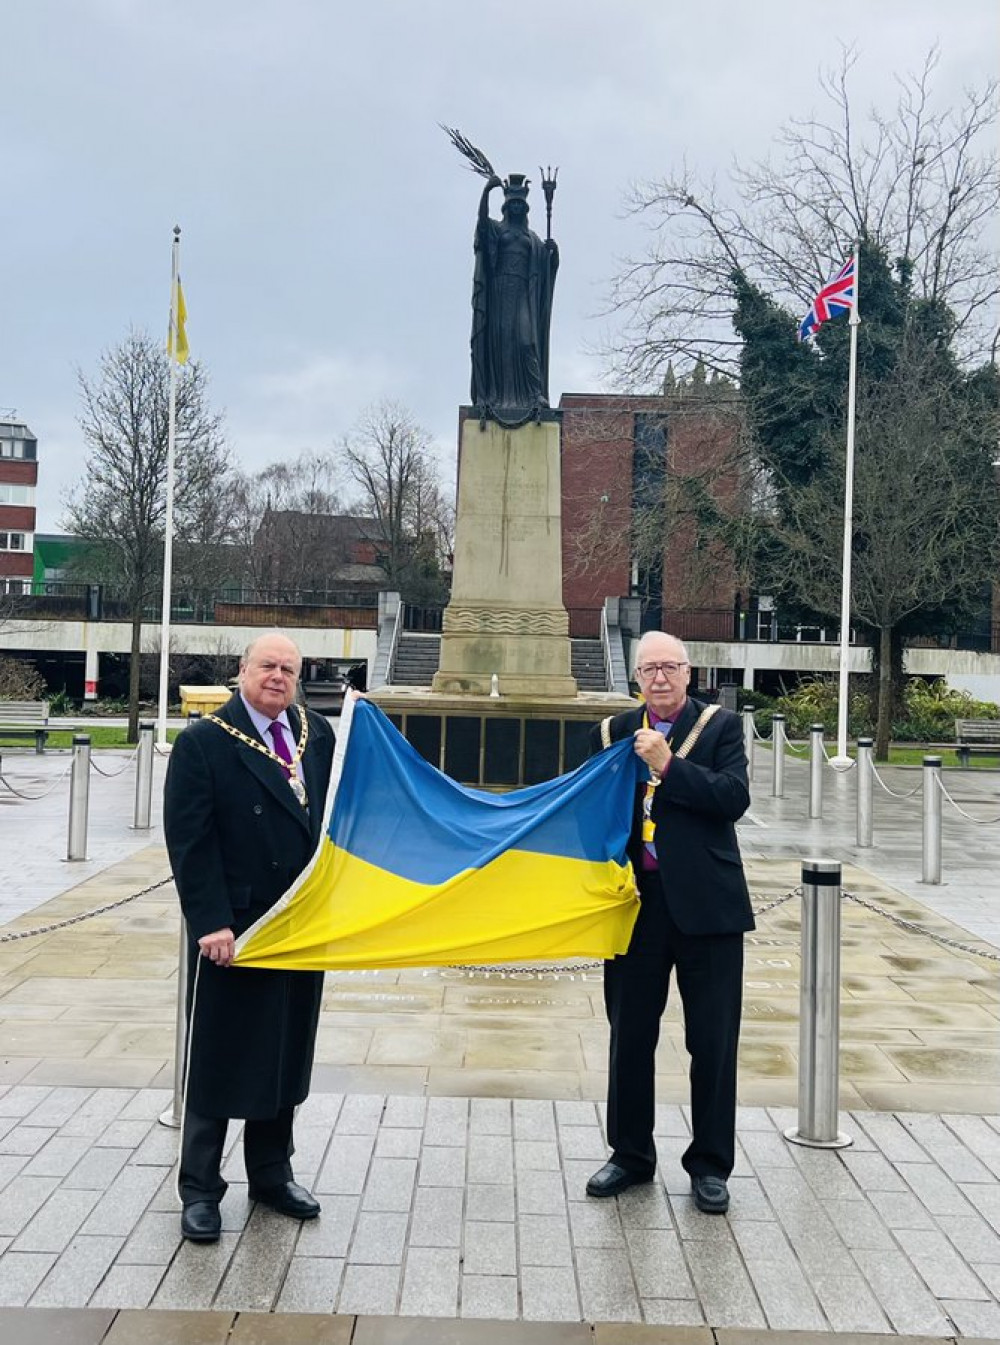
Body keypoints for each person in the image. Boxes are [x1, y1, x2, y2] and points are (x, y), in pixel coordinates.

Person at [163, 632, 336, 1243]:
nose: (278, 677)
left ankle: (271, 1173)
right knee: (219, 1058)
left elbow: (331, 823)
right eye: (267, 666)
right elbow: (190, 842)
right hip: (234, 931)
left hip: (299, 926)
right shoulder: (205, 743)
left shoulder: (317, 736)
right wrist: (210, 920)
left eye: (289, 669)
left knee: (284, 1053)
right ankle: (201, 1189)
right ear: (243, 671)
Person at [586, 631, 754, 1214]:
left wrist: (668, 765)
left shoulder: (720, 727)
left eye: (669, 668)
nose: (659, 678)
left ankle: (710, 1164)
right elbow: (591, 815)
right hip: (635, 908)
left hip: (708, 907)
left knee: (712, 1041)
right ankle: (630, 1155)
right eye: (649, 669)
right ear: (636, 677)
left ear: (689, 672)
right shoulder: (610, 734)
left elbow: (732, 798)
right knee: (630, 1035)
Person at [470, 172, 558, 423]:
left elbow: (543, 264)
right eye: (513, 204)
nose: (517, 207)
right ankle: (497, 395)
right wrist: (487, 192)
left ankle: (535, 394)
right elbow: (481, 225)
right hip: (499, 293)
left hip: (523, 294)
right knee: (501, 345)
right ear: (507, 206)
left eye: (521, 204)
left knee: (526, 340)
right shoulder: (497, 230)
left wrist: (552, 254)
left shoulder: (533, 239)